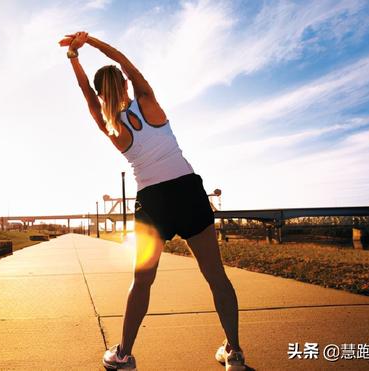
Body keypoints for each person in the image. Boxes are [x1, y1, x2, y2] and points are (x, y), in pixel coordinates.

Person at [60, 31, 246, 371]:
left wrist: (73, 58)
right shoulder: (147, 99)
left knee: (142, 281)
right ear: (126, 85)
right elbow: (123, 60)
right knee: (216, 276)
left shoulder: (110, 125)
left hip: (153, 201)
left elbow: (86, 94)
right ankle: (233, 352)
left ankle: (123, 355)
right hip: (188, 191)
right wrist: (92, 43)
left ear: (102, 94)